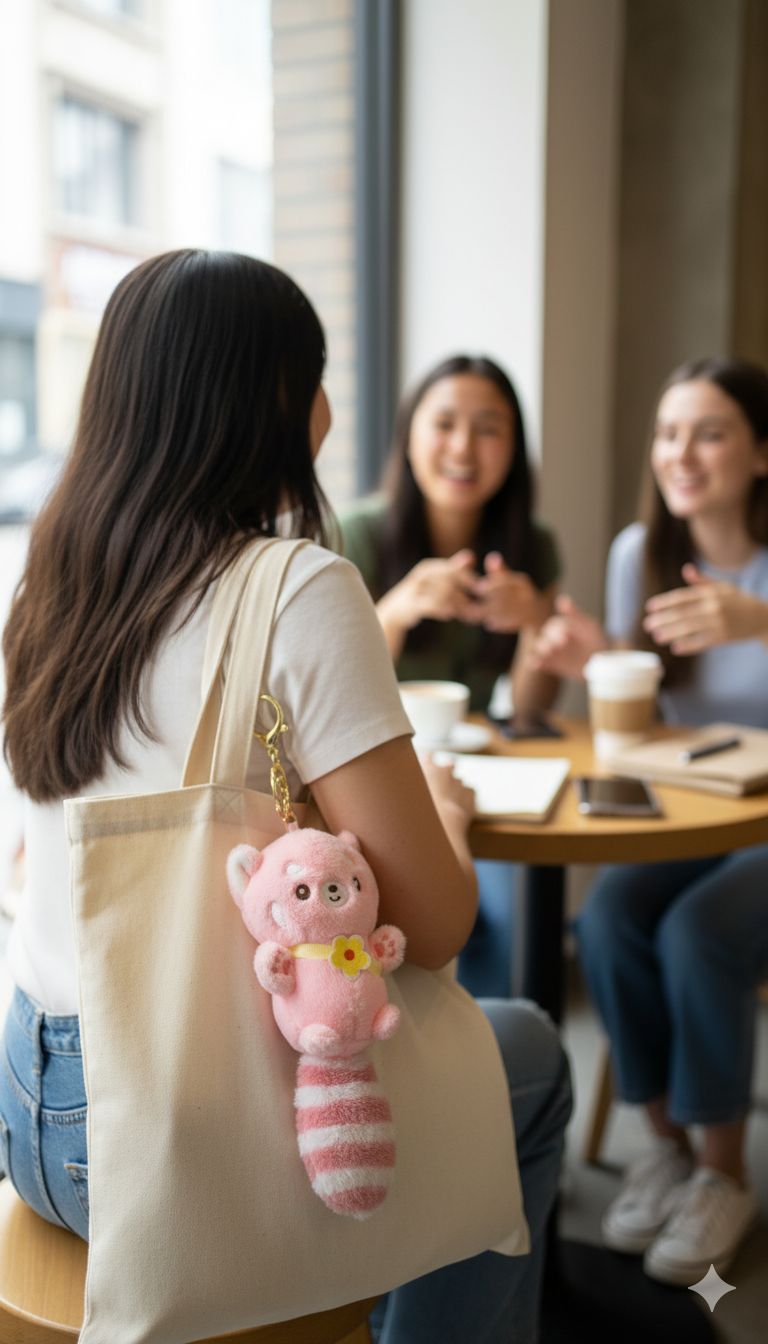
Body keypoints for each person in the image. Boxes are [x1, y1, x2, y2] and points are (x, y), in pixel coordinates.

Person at [0, 251, 571, 1344]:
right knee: (534, 1056)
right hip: (150, 1141)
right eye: (316, 380)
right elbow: (436, 928)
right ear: (272, 397)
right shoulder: (298, 587)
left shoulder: (53, 573)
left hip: (28, 1108)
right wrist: (448, 816)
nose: (327, 411)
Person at [530, 356, 768, 1286]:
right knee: (609, 917)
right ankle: (665, 1148)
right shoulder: (640, 553)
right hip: (699, 811)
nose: (681, 454)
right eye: (670, 433)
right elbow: (648, 718)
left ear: (760, 453)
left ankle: (723, 1173)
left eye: (710, 433)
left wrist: (759, 621)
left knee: (697, 930)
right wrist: (600, 657)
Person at [339, 356, 561, 997]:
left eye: (488, 428)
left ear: (513, 449)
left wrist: (534, 625)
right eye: (444, 424)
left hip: (484, 780)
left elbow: (529, 709)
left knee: (510, 920)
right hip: (381, 779)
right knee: (461, 917)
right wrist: (395, 611)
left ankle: (499, 1040)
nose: (463, 447)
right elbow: (331, 688)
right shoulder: (355, 536)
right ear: (409, 437)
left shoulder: (532, 545)